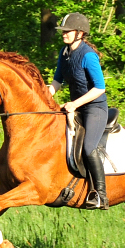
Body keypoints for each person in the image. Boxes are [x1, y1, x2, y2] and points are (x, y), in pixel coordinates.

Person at [48, 12, 109, 210]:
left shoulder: (88, 56)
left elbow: (100, 88)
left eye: (68, 31)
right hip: (75, 107)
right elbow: (57, 81)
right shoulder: (64, 53)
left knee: (88, 148)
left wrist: (74, 104)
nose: (64, 34)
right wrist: (43, 98)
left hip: (94, 108)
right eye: (63, 30)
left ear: (80, 33)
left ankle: (100, 195)